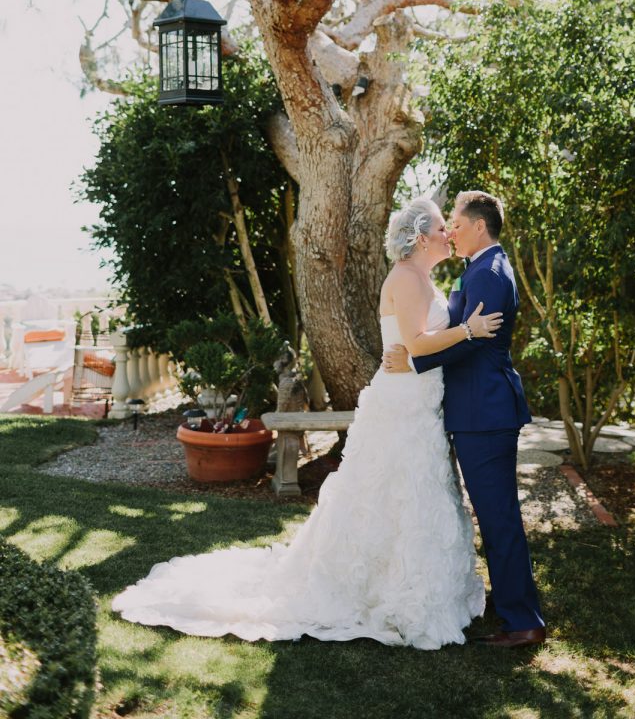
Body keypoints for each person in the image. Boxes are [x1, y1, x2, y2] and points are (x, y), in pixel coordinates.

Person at [112, 197, 500, 649]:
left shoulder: (423, 278)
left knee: (413, 492)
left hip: (419, 400)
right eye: (440, 228)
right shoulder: (406, 278)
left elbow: (420, 344)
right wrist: (468, 330)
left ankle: (414, 585)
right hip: (403, 405)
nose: (447, 234)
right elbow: (416, 342)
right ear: (420, 238)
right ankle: (382, 589)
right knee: (394, 490)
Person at [383, 190, 547, 649]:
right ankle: (511, 603)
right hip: (475, 410)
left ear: (479, 226)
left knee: (499, 519)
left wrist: (413, 362)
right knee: (494, 516)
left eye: (456, 222)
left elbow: (474, 343)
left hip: (485, 411)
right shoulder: (478, 268)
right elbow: (459, 332)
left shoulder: (490, 273)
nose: (451, 230)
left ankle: (523, 622)